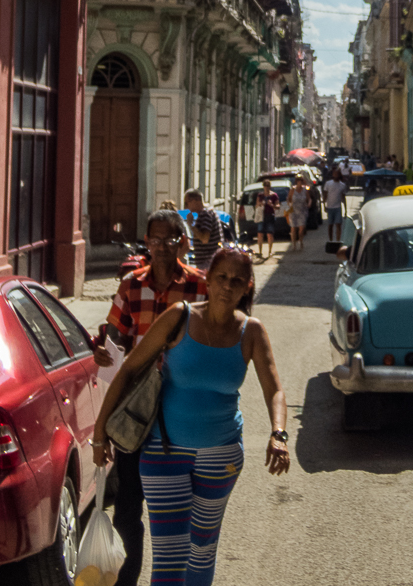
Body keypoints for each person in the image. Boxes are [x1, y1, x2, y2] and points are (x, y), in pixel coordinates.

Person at [93, 246, 290, 585]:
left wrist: (279, 433)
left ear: (247, 288)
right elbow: (127, 372)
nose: (228, 287)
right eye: (222, 278)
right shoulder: (178, 317)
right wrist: (100, 434)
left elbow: (275, 389)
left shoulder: (251, 332)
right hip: (163, 452)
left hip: (222, 455)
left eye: (237, 281)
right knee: (169, 556)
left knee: (202, 549)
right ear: (208, 282)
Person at [93, 210, 209, 586]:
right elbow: (114, 339)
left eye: (168, 241)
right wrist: (102, 349)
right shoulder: (131, 285)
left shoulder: (199, 286)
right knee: (128, 506)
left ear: (181, 242)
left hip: (181, 404)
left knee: (178, 505)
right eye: (153, 241)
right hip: (137, 404)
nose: (159, 249)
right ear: (146, 241)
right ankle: (128, 578)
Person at [183, 189, 223, 272]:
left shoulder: (205, 215)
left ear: (195, 201)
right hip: (209, 261)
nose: (186, 207)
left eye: (187, 203)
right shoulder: (207, 213)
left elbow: (204, 239)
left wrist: (191, 225)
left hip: (207, 262)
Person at [254, 182, 281, 259]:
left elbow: (278, 206)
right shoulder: (260, 195)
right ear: (263, 187)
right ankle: (260, 251)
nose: (266, 187)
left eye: (268, 186)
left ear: (270, 186)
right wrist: (260, 204)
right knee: (260, 234)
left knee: (270, 234)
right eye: (265, 186)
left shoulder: (274, 195)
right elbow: (256, 205)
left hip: (270, 216)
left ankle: (270, 251)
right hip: (261, 216)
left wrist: (271, 205)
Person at [324, 167, 348, 242]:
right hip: (330, 207)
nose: (336, 175)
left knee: (338, 224)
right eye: (334, 174)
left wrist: (345, 209)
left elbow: (343, 197)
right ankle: (331, 239)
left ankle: (338, 240)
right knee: (330, 225)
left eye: (337, 174)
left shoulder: (342, 185)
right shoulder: (328, 183)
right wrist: (324, 205)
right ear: (333, 175)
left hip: (338, 207)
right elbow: (325, 195)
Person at [289, 176, 310, 251]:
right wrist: (289, 205)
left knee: (301, 229)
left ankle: (300, 241)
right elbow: (289, 199)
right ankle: (294, 244)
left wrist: (309, 203)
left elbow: (309, 199)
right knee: (293, 228)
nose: (299, 183)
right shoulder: (293, 190)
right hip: (293, 211)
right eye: (298, 181)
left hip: (302, 211)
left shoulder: (305, 190)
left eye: (301, 181)